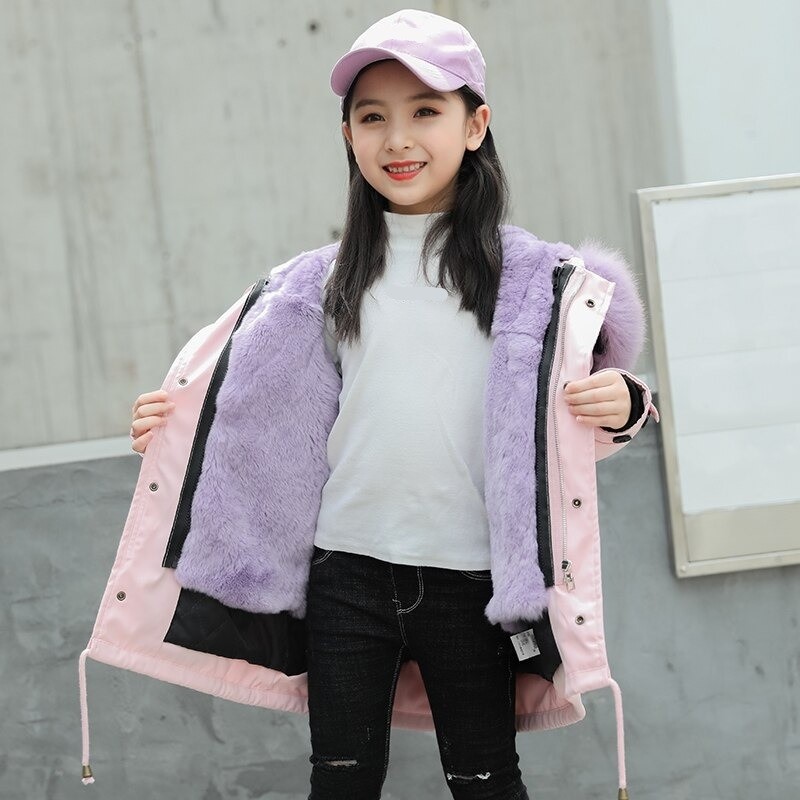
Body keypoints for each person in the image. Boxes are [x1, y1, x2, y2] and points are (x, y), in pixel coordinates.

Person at [127, 9, 656, 800]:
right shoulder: (315, 283)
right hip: (345, 574)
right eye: (372, 118)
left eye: (425, 112)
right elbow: (247, 405)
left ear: (475, 125)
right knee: (341, 781)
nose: (397, 139)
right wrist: (171, 428)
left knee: (485, 780)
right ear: (348, 136)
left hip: (473, 584)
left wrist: (627, 404)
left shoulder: (533, 280)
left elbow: (581, 418)